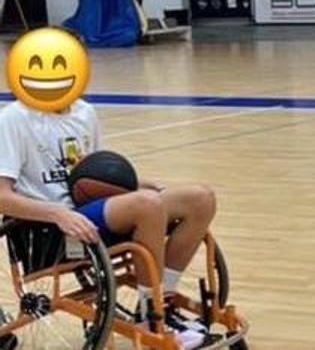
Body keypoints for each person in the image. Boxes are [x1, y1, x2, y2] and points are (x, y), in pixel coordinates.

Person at [0, 96, 216, 349]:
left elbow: (93, 175)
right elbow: (3, 198)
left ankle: (161, 302)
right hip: (51, 228)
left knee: (200, 198)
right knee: (148, 205)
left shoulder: (84, 112)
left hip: (93, 212)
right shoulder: (13, 118)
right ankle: (151, 317)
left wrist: (140, 184)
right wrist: (58, 214)